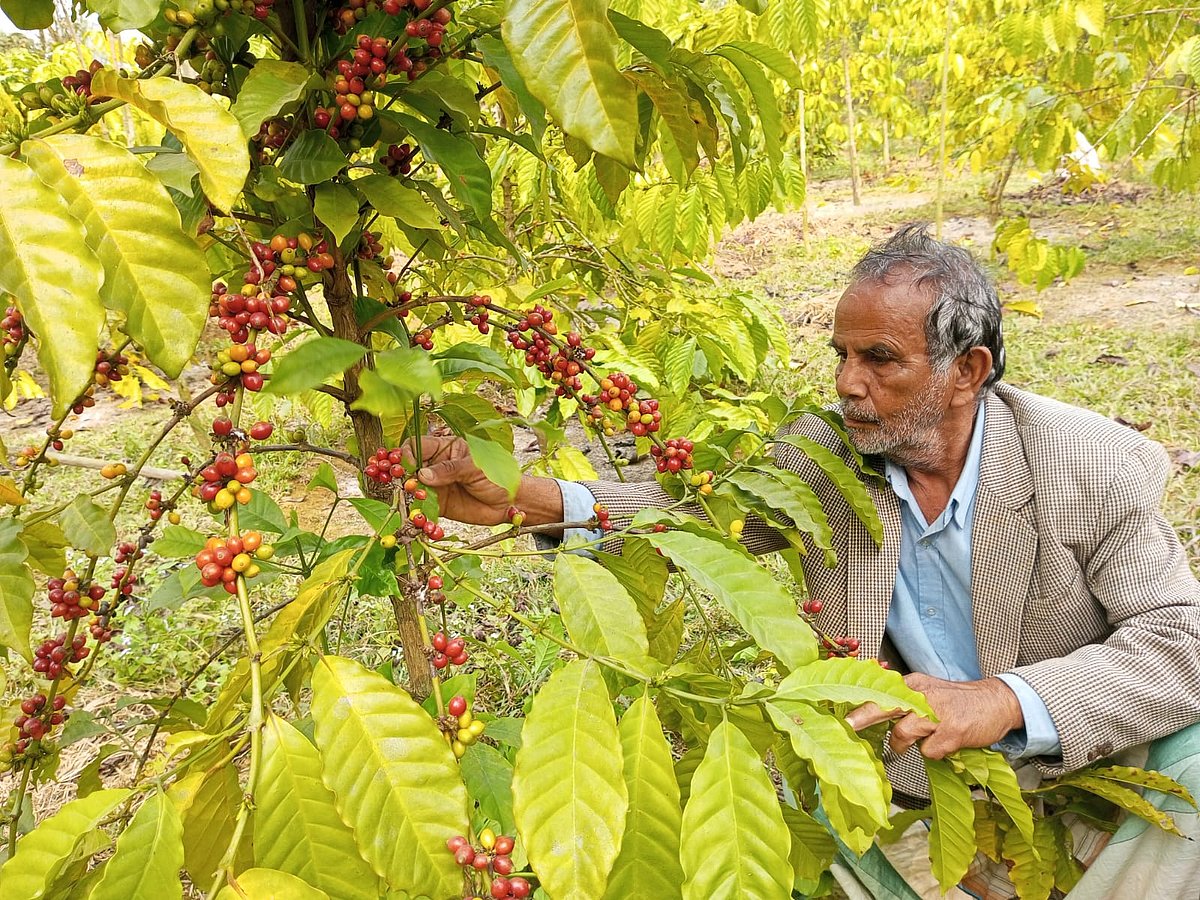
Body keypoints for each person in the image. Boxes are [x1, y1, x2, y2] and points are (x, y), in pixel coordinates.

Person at [408, 224, 1200, 896]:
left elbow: (1183, 641)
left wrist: (1001, 699)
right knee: (802, 833)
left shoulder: (1083, 464)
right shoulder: (826, 452)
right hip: (910, 780)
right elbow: (694, 520)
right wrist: (524, 497)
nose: (848, 383)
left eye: (880, 360)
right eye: (842, 354)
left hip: (1076, 763)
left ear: (969, 372)